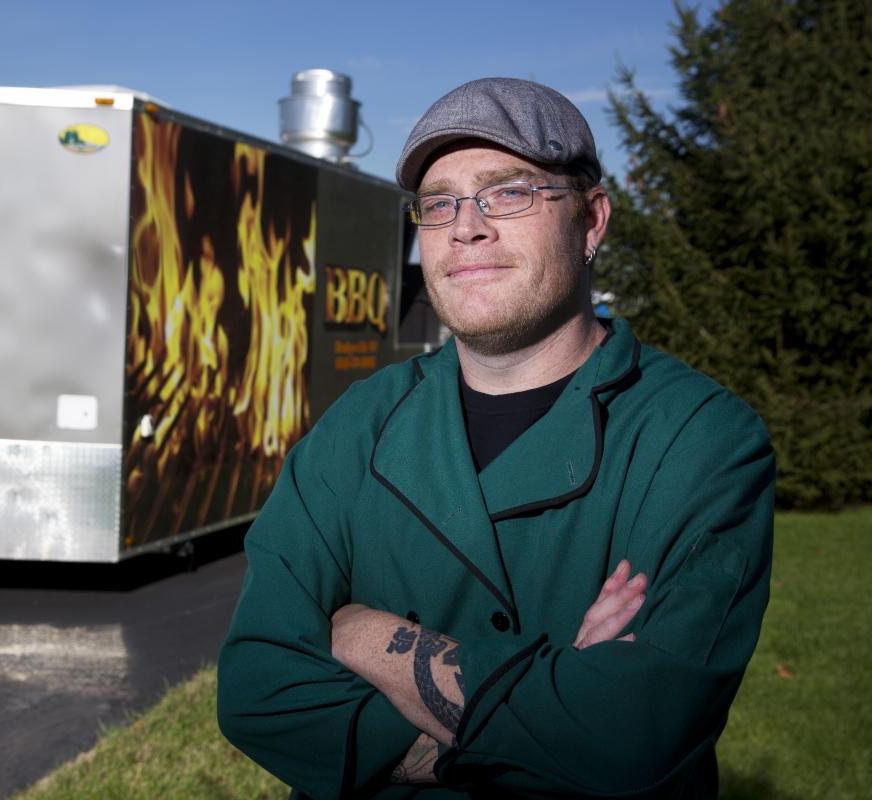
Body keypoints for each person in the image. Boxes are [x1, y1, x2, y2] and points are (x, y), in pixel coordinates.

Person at [216, 77, 775, 799]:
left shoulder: (701, 439)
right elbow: (257, 689)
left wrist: (360, 634)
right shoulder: (357, 424)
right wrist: (552, 702)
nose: (465, 228)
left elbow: (634, 732)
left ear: (592, 220)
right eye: (439, 203)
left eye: (508, 193)